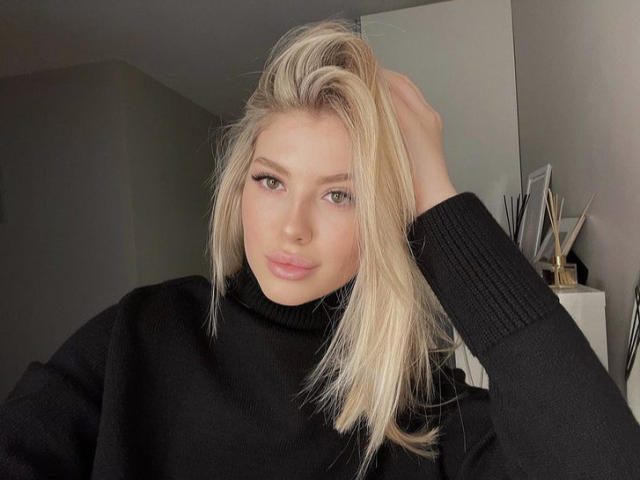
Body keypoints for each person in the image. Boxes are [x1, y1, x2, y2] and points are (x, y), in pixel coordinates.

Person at [1, 18, 639, 480]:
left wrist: (437, 198)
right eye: (271, 181)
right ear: (238, 187)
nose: (292, 228)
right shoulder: (137, 334)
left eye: (340, 195)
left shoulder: (417, 408)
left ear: (387, 217)